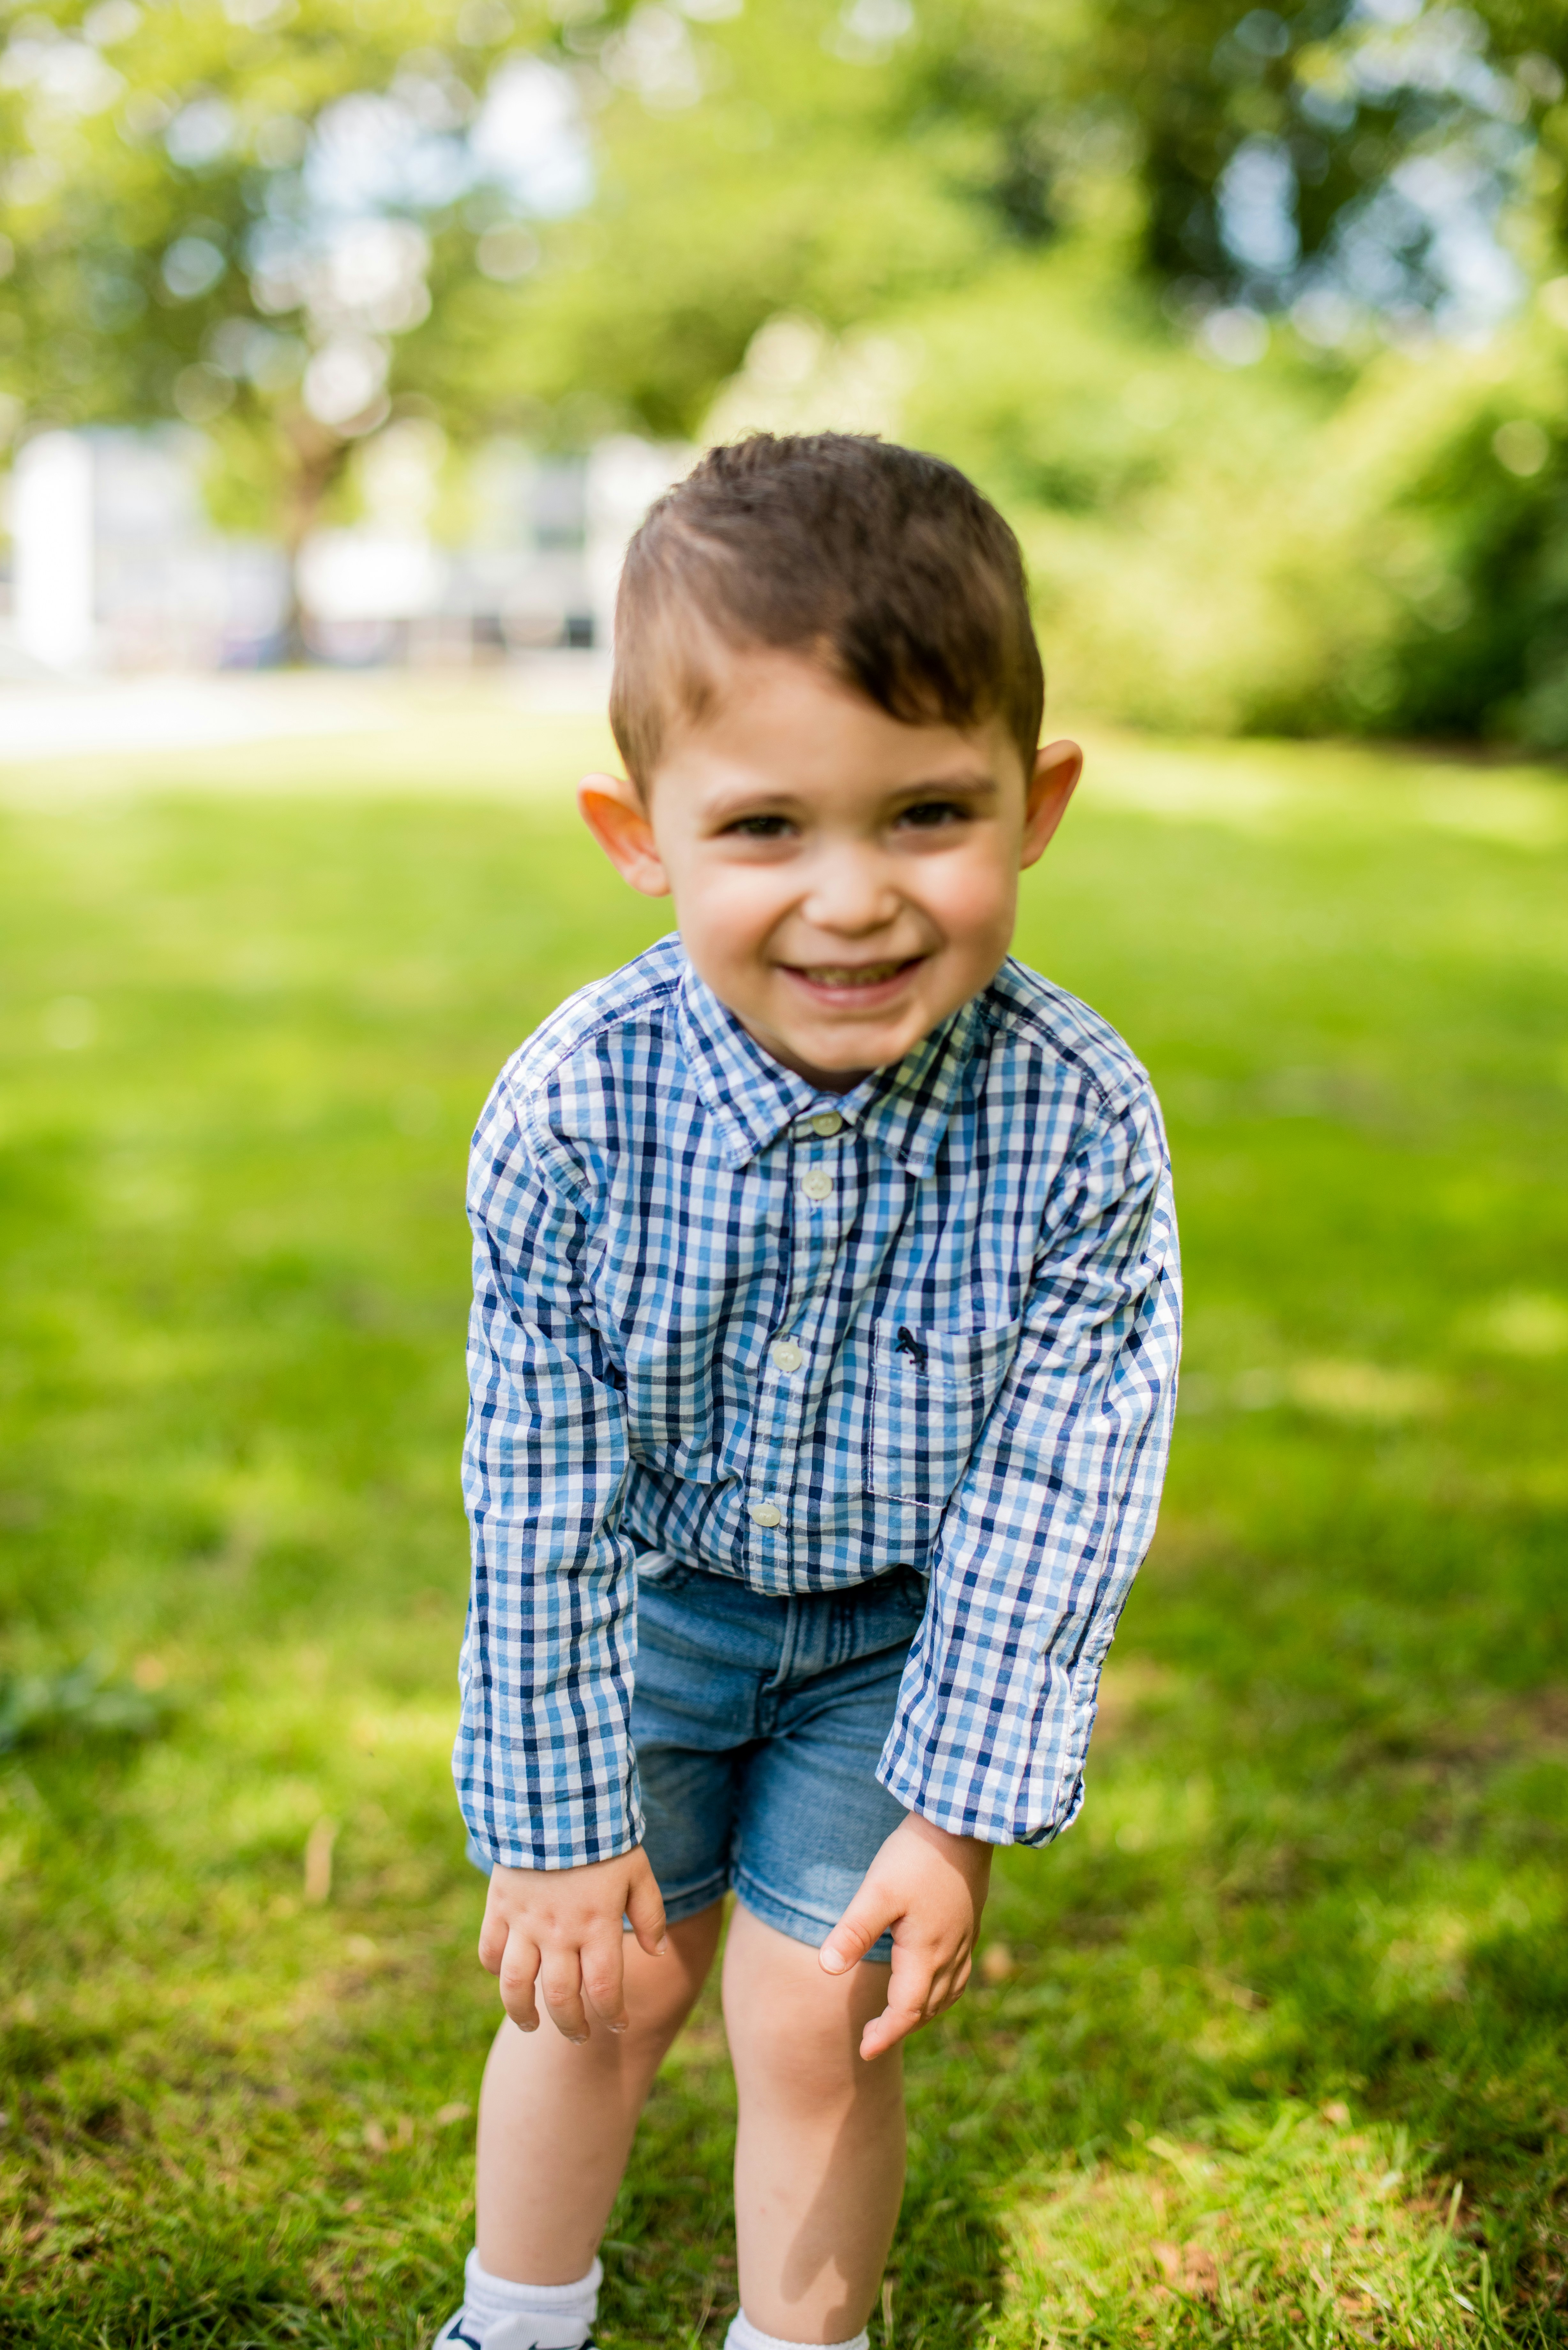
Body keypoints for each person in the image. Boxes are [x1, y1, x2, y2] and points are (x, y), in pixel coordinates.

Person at [437, 432, 1180, 2350]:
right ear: (640, 835)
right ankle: (516, 2322)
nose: (852, 900)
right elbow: (534, 1492)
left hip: (894, 1642)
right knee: (601, 1987)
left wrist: (956, 1816)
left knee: (816, 2008)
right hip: (644, 1608)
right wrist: (550, 1814)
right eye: (767, 828)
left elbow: (1064, 1487)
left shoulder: (1079, 1120)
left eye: (928, 814)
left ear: (1038, 805)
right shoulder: (575, 1112)